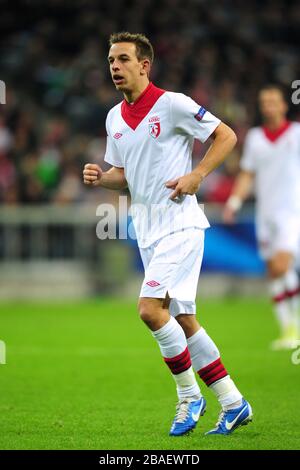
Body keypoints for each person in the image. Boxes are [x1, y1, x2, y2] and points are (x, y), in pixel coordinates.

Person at [83, 32, 252, 436]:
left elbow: (226, 135)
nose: (114, 67)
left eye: (123, 59)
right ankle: (233, 403)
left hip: (181, 224)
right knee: (184, 320)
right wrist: (101, 178)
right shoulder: (113, 118)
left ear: (144, 65)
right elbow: (123, 177)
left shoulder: (173, 104)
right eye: (110, 61)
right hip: (147, 230)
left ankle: (189, 396)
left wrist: (197, 174)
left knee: (148, 310)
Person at [223, 85, 300, 350]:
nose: (268, 106)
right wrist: (234, 201)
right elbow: (247, 174)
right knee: (275, 272)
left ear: (283, 105)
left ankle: (295, 327)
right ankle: (288, 330)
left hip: (292, 213)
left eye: (273, 101)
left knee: (282, 265)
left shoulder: (297, 134)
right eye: (264, 102)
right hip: (265, 214)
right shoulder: (255, 138)